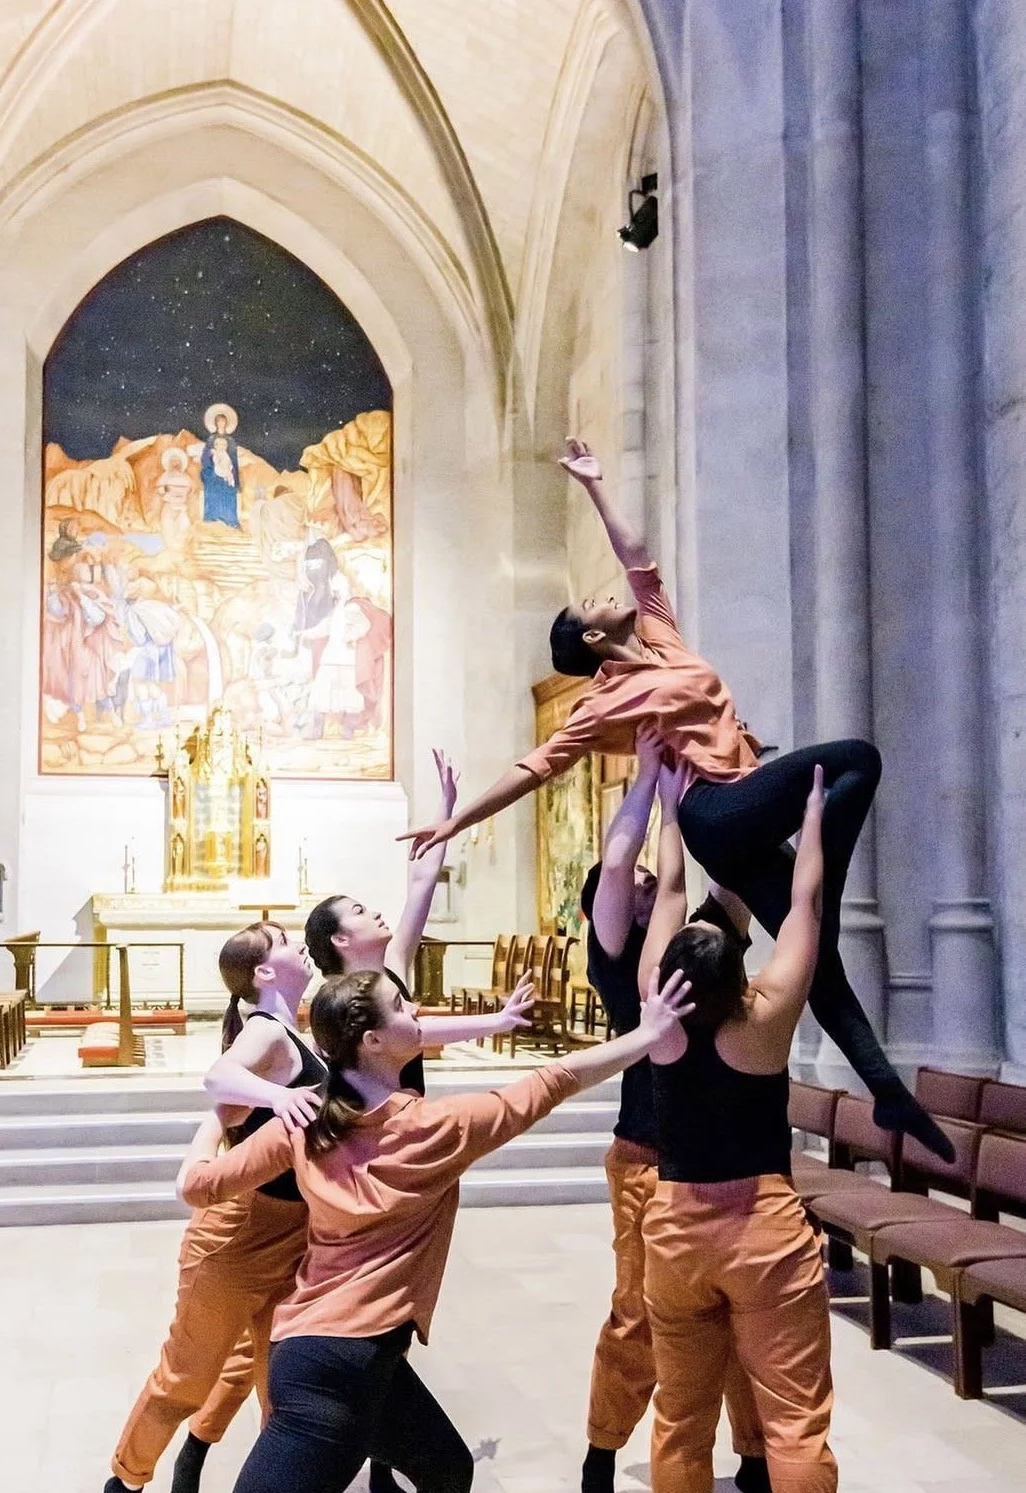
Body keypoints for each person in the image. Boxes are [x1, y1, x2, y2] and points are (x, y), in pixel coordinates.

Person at [400, 438, 950, 1163]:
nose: (610, 593)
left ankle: (885, 1087)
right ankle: (826, 892)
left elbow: (637, 556)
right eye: (593, 604)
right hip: (713, 812)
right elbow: (535, 767)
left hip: (742, 804)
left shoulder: (661, 636)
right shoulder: (603, 701)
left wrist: (596, 485)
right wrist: (456, 818)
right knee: (856, 760)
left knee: (815, 953)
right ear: (594, 637)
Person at [175, 962, 696, 1493]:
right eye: (400, 1007)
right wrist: (646, 1035)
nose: (415, 1011)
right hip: (337, 1371)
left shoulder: (306, 1122)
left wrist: (218, 1118)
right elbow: (554, 1080)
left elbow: (196, 1186)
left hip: (333, 1356)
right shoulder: (436, 1129)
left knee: (447, 1468)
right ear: (374, 1040)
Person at [579, 729, 770, 1493]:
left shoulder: (707, 946)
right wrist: (655, 784)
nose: (648, 884)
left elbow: (744, 882)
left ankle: (755, 1455)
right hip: (648, 1157)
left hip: (732, 1163)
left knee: (741, 1319)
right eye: (630, 889)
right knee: (638, 1315)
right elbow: (621, 865)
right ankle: (601, 1449)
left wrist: (744, 780)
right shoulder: (625, 961)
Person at [641, 765, 836, 1493]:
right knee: (793, 1419)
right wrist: (808, 815)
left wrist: (668, 809)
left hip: (678, 1230)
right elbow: (804, 901)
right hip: (763, 1229)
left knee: (681, 1415)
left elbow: (666, 890)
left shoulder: (654, 1016)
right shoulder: (765, 1016)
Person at [104, 921, 323, 1493]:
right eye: (283, 940)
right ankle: (125, 1482)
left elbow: (226, 1108)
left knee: (283, 1384)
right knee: (184, 1379)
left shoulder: (292, 1031)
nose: (299, 940)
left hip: (292, 1231)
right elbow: (217, 1076)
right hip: (235, 1238)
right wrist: (277, 1096)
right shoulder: (267, 1032)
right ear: (264, 973)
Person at [306, 748, 528, 1094]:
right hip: (369, 1124)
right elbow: (419, 1032)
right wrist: (498, 1021)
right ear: (340, 939)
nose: (376, 913)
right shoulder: (337, 999)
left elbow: (423, 881)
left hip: (410, 1112)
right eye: (359, 912)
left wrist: (447, 813)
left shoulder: (394, 962)